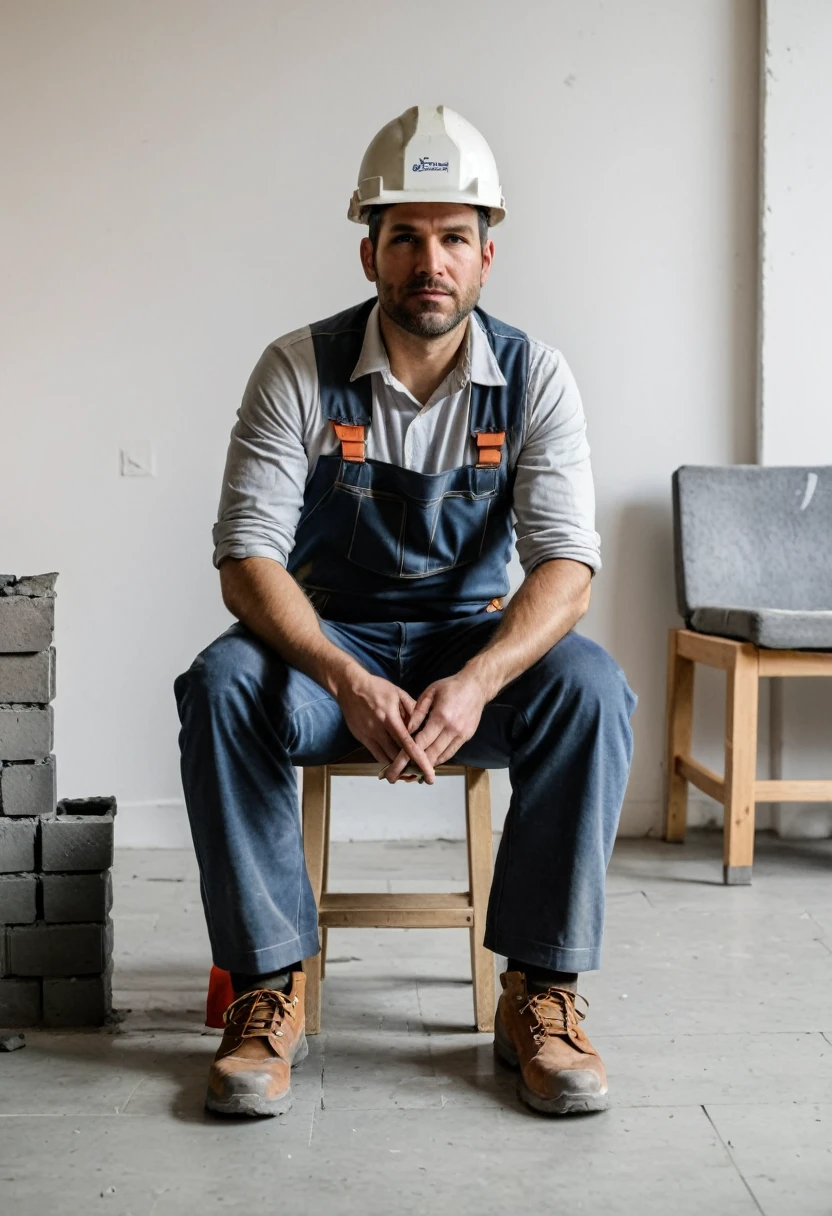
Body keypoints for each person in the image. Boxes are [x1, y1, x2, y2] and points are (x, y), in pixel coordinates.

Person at [174, 104, 637, 1120]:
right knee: (219, 686)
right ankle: (268, 987)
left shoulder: (534, 377)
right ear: (369, 250)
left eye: (453, 238)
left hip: (467, 646)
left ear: (485, 256)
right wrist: (343, 674)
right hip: (322, 646)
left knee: (594, 689)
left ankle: (540, 992)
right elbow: (246, 558)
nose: (431, 259)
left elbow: (565, 566)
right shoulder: (297, 366)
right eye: (406, 237)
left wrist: (476, 682)